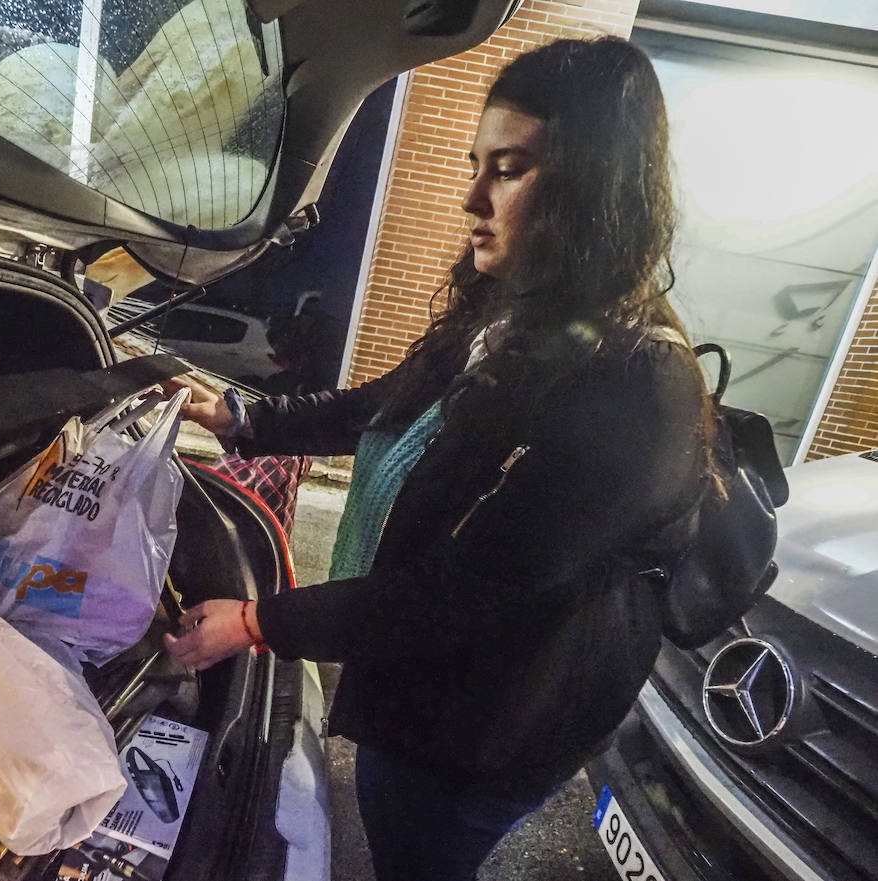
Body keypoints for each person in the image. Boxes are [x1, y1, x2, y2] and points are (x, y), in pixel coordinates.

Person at [162, 36, 716, 881]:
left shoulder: (637, 386)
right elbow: (380, 405)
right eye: (476, 163)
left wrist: (255, 623)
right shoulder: (512, 312)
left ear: (592, 188)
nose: (471, 197)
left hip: (484, 733)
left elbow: (460, 592)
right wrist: (242, 414)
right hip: (423, 686)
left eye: (511, 168)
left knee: (416, 849)